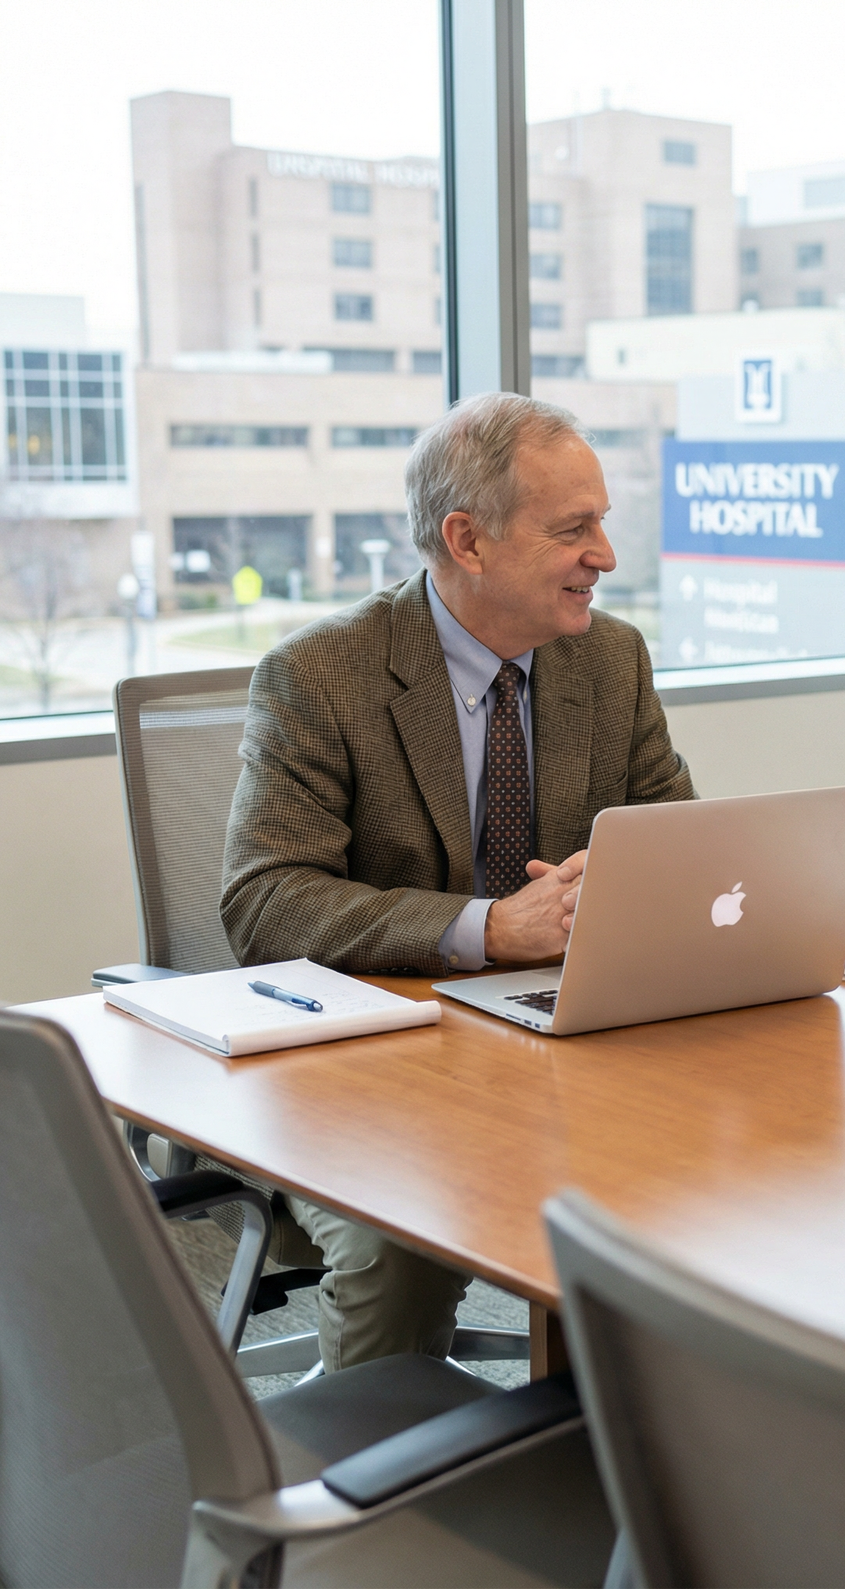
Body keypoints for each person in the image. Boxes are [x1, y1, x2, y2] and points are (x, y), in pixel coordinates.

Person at [221, 391, 694, 1370]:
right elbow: (265, 897)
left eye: (602, 523)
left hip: (552, 1048)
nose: (606, 555)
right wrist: (488, 928)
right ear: (467, 541)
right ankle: (365, 1494)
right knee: (405, 1244)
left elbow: (677, 844)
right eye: (575, 529)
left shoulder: (610, 659)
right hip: (363, 1070)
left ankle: (634, 1467)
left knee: (703, 1169)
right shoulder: (322, 676)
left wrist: (631, 882)